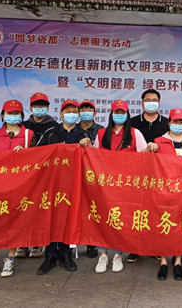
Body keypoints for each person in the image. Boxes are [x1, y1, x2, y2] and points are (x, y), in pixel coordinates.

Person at [0, 100, 36, 278]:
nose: (13, 116)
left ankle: (11, 257)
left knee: (14, 220)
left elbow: (36, 158)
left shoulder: (29, 134)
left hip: (19, 183)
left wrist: (25, 153)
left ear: (22, 115)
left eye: (16, 113)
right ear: (3, 115)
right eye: (9, 113)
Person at [93, 99, 148, 273]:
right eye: (116, 112)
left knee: (120, 218)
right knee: (103, 218)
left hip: (126, 185)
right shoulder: (101, 133)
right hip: (105, 184)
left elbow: (144, 156)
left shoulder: (134, 133)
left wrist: (151, 148)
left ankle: (118, 254)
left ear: (127, 114)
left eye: (122, 112)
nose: (119, 115)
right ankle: (102, 255)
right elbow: (93, 157)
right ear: (111, 114)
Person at [37, 99, 90, 276]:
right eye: (67, 111)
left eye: (74, 111)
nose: (71, 114)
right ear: (61, 114)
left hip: (73, 183)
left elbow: (91, 158)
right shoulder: (51, 132)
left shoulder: (83, 134)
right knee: (51, 217)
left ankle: (66, 254)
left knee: (68, 217)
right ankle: (50, 255)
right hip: (51, 182)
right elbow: (37, 153)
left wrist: (87, 145)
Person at [148, 108, 182, 281]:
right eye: (175, 122)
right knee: (164, 223)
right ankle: (163, 261)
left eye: (181, 122)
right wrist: (149, 148)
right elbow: (147, 163)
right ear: (169, 123)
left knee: (181, 225)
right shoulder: (158, 141)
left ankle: (178, 262)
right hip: (164, 190)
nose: (178, 125)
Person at [129, 90, 169, 263]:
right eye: (148, 100)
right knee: (136, 209)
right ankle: (135, 248)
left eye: (155, 100)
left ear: (159, 103)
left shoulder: (167, 123)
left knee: (157, 210)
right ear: (142, 103)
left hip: (160, 172)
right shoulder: (133, 122)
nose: (151, 102)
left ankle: (156, 246)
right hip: (137, 172)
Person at [19, 92, 60, 259]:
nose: (39, 108)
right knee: (23, 206)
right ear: (30, 108)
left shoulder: (54, 126)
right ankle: (22, 242)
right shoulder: (23, 126)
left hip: (44, 173)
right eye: (36, 106)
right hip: (24, 173)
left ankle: (37, 243)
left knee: (40, 206)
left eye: (43, 105)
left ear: (48, 107)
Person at [78, 99, 105, 259]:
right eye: (83, 109)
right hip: (75, 173)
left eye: (89, 109)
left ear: (95, 113)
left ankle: (91, 243)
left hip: (94, 175)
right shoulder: (73, 129)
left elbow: (103, 154)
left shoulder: (101, 131)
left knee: (93, 207)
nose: (86, 112)